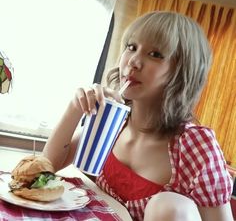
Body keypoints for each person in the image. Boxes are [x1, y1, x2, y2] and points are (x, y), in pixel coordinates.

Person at [43, 11, 233, 221]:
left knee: (169, 206)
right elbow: (47, 167)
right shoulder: (112, 121)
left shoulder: (196, 146)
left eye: (155, 54)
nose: (133, 62)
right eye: (131, 47)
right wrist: (75, 107)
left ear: (181, 71)